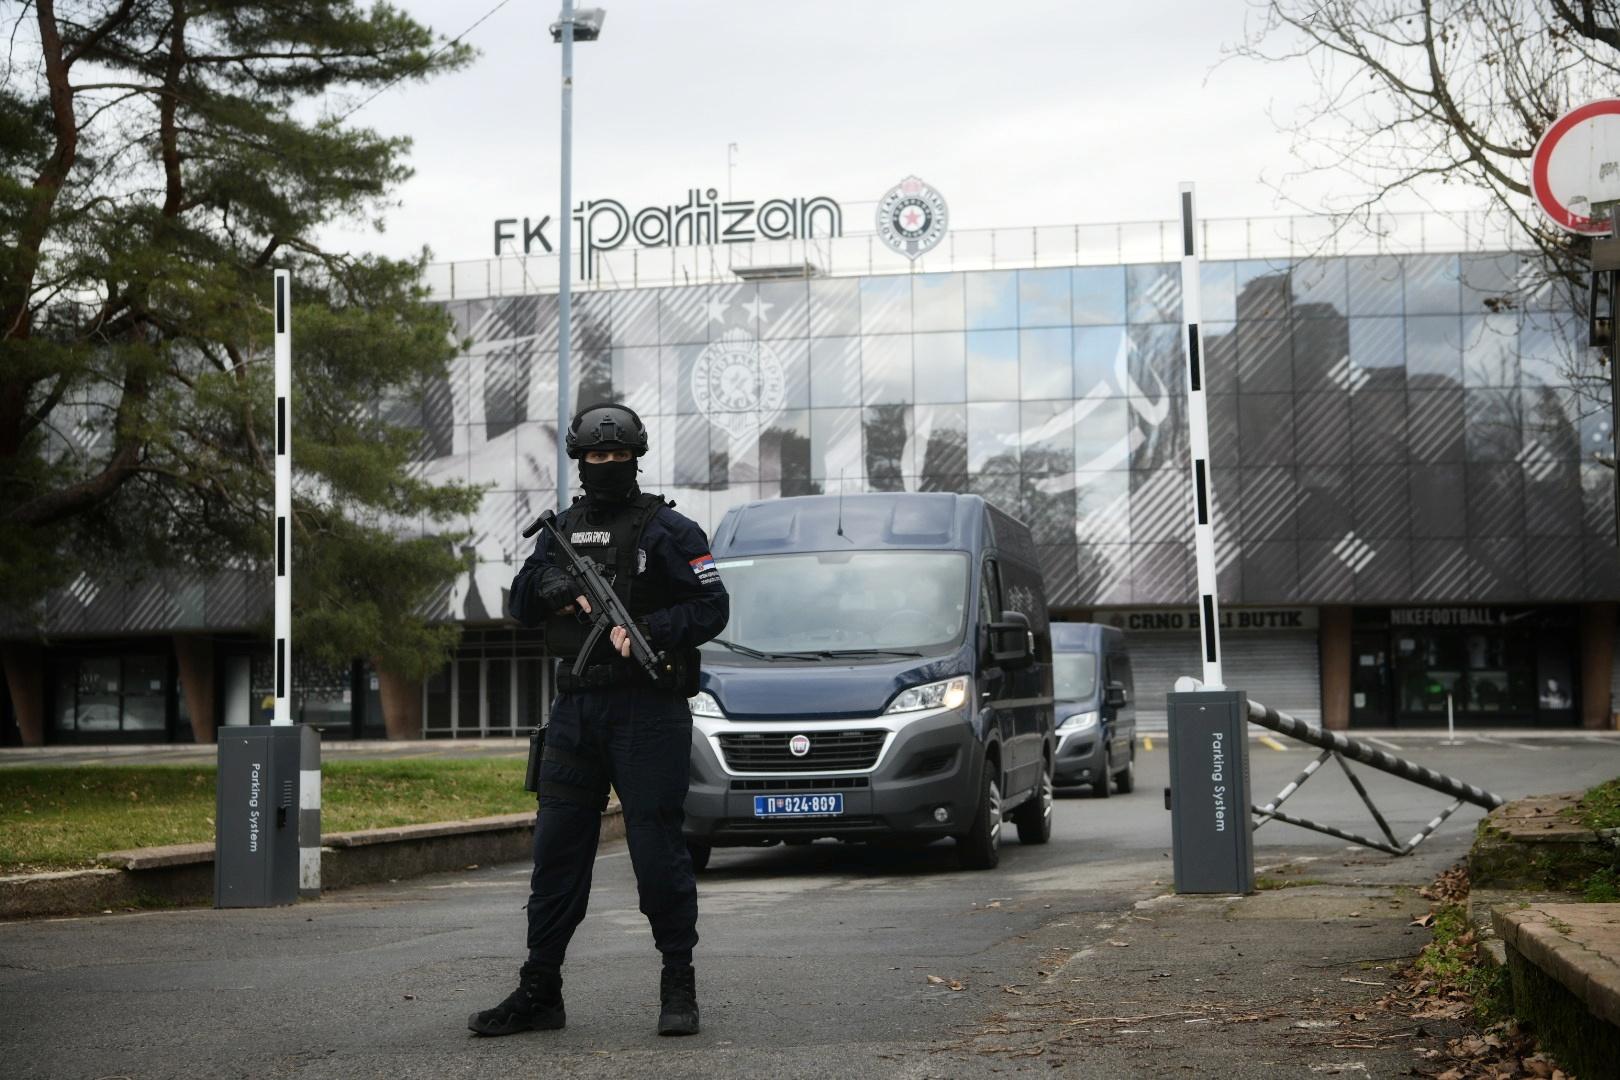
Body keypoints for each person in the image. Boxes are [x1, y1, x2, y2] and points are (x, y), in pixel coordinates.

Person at [469, 402, 728, 1039]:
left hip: (649, 712)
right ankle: (540, 989)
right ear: (580, 462)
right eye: (596, 456)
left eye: (618, 456)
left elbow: (713, 606)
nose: (607, 465)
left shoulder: (673, 531)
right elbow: (521, 600)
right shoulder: (559, 531)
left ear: (635, 458)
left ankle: (677, 980)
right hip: (577, 712)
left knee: (656, 849)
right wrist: (558, 585)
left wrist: (650, 630)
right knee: (556, 854)